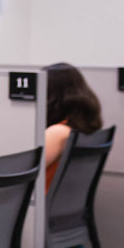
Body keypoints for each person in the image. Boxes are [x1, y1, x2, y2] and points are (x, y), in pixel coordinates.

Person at [43, 62, 103, 191]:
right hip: (62, 205)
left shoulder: (57, 132)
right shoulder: (82, 125)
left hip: (39, 205)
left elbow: (27, 169)